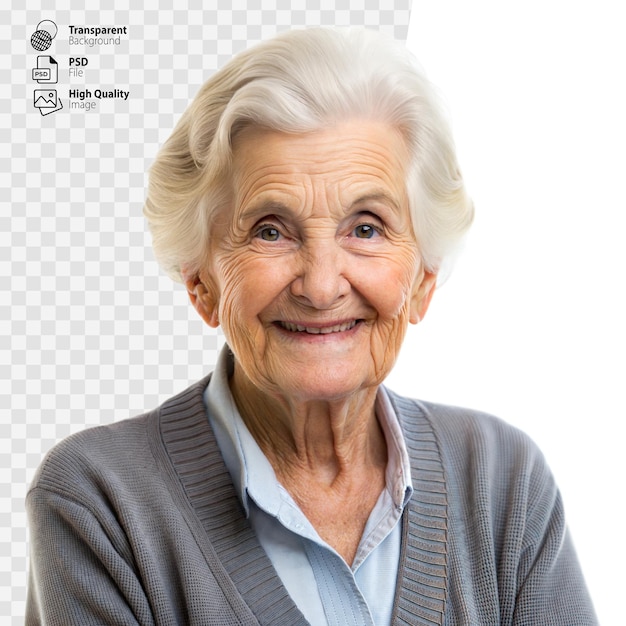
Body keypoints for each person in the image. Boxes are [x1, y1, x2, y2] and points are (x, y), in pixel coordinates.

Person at [26, 27, 597, 625]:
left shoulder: (503, 481)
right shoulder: (100, 502)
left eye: (367, 228)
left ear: (423, 281)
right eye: (270, 230)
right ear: (202, 284)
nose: (322, 286)